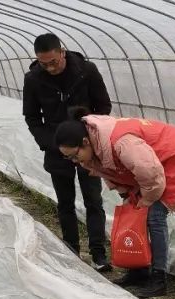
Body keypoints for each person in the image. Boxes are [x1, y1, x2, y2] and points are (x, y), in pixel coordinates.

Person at [54, 109, 175, 299]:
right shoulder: (95, 146)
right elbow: (111, 172)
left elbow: (151, 174)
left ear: (85, 142)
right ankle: (139, 271)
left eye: (74, 156)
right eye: (68, 158)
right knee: (134, 212)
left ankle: (159, 279)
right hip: (152, 165)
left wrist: (146, 200)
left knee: (154, 215)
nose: (74, 161)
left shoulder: (121, 142)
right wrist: (128, 195)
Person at [22, 33, 112, 272]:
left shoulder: (86, 71)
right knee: (65, 203)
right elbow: (32, 117)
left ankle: (98, 253)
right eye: (44, 64)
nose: (50, 68)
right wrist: (51, 143)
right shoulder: (33, 79)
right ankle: (71, 252)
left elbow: (104, 105)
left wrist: (90, 136)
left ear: (62, 52)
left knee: (94, 201)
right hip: (57, 150)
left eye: (53, 62)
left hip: (86, 147)